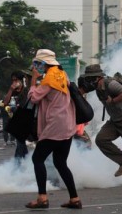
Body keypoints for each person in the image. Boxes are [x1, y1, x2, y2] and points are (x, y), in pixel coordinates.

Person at [25, 49, 82, 209]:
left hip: (55, 125)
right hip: (67, 125)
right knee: (60, 163)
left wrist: (33, 81)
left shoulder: (48, 79)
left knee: (37, 159)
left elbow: (34, 98)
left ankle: (42, 198)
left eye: (38, 64)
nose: (37, 67)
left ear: (45, 63)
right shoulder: (62, 75)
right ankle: (74, 199)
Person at [3, 71, 29, 161]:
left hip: (26, 120)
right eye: (12, 80)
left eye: (16, 80)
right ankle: (25, 163)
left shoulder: (26, 90)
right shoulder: (13, 91)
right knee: (20, 144)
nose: (14, 82)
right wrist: (10, 90)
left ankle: (17, 166)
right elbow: (5, 102)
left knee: (20, 144)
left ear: (22, 80)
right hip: (18, 120)